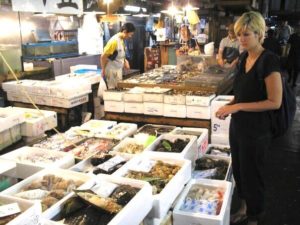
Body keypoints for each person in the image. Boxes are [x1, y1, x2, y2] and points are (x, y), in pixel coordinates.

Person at [216, 11, 282, 225]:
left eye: (246, 34)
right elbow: (242, 93)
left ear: (260, 34)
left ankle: (255, 215)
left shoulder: (269, 61)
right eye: (239, 35)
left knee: (254, 173)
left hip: (257, 130)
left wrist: (238, 106)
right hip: (239, 127)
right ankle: (244, 207)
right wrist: (231, 104)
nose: (241, 39)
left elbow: (274, 102)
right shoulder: (244, 57)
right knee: (240, 170)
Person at [100, 23, 135, 89]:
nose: (130, 36)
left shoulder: (121, 40)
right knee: (112, 92)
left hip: (117, 69)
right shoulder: (114, 41)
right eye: (130, 34)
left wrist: (125, 61)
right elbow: (103, 57)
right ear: (125, 31)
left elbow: (119, 53)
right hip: (111, 71)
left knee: (118, 90)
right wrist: (103, 70)